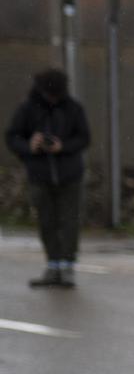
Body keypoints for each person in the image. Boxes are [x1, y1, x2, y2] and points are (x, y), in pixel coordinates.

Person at [5, 69, 91, 289]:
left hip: (70, 174)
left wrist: (64, 146)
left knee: (70, 221)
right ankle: (53, 265)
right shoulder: (27, 109)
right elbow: (12, 136)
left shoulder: (73, 108)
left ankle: (67, 266)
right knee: (47, 221)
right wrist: (29, 146)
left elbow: (84, 137)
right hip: (40, 174)